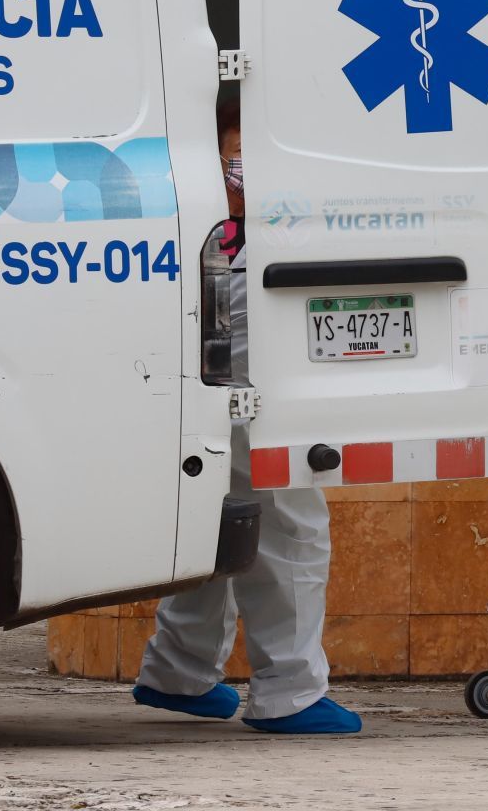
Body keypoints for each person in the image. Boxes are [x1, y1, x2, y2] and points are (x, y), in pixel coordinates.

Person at [133, 98, 361, 735]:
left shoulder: (212, 224)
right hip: (242, 361)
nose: (250, 167)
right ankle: (290, 692)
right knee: (287, 520)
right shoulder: (238, 233)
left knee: (218, 519)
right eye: (239, 150)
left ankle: (178, 673)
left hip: (209, 371)